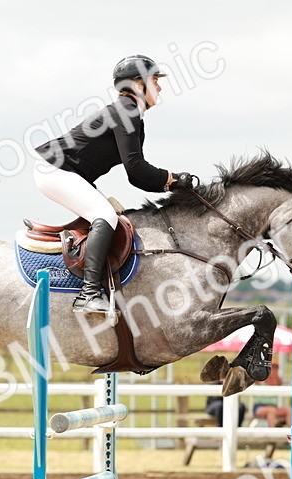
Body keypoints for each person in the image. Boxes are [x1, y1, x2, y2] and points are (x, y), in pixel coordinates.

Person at [33, 55, 197, 314]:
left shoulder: (130, 114)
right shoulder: (127, 110)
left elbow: (136, 177)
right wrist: (173, 179)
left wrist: (171, 185)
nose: (160, 87)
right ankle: (88, 295)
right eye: (155, 80)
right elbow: (137, 168)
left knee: (111, 216)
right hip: (55, 170)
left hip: (63, 172)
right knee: (105, 216)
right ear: (137, 85)